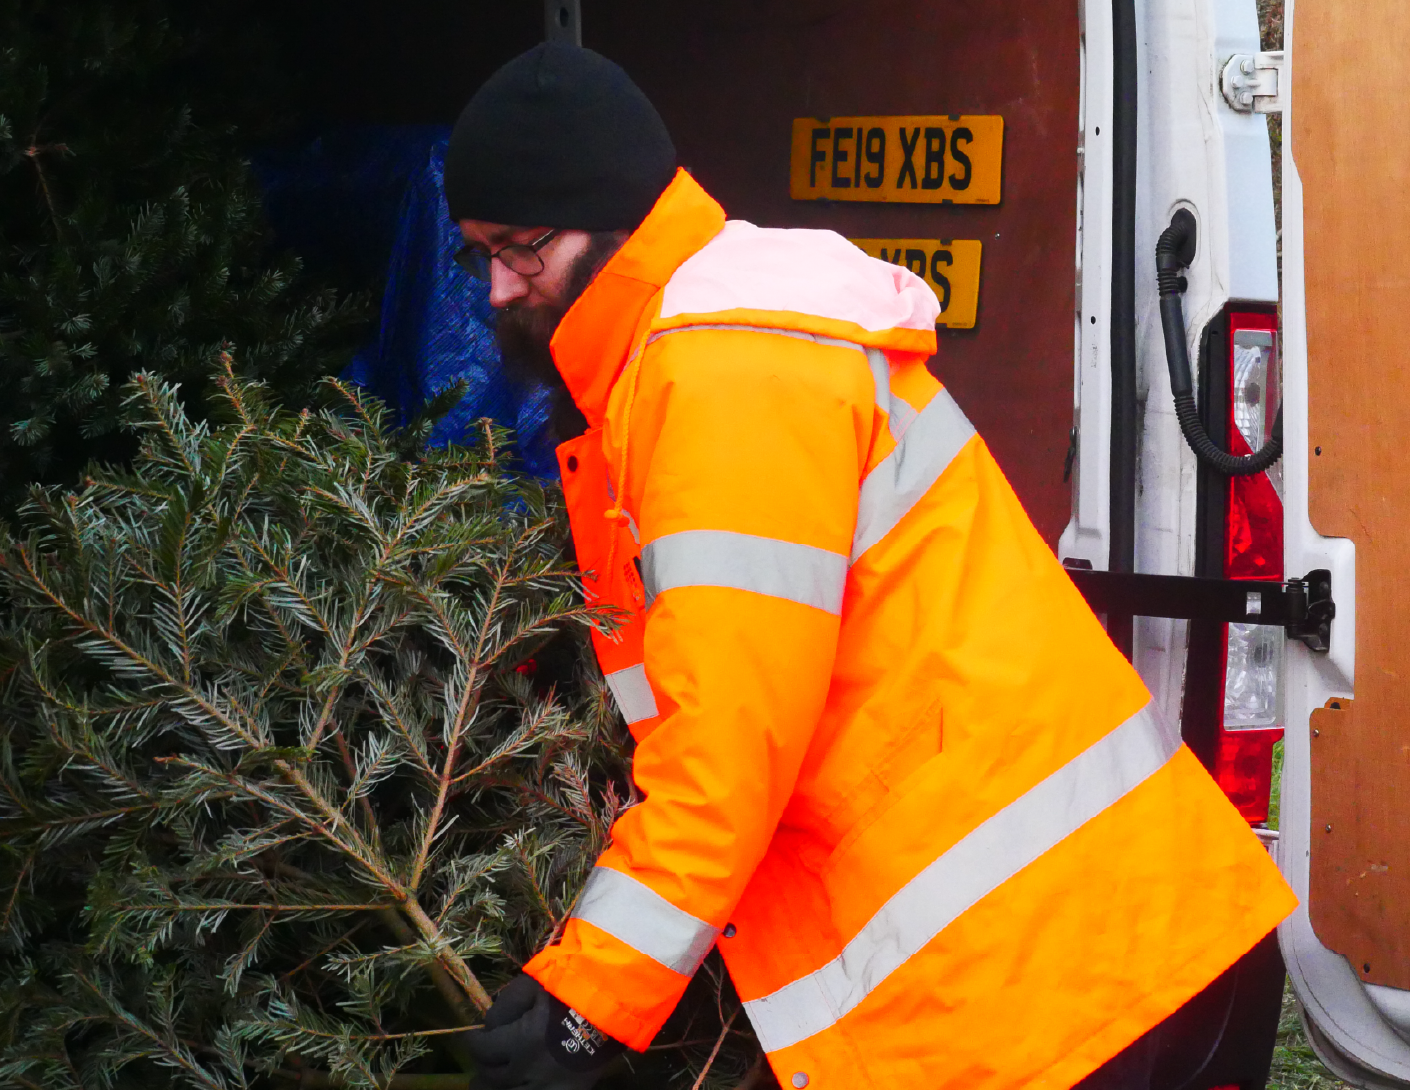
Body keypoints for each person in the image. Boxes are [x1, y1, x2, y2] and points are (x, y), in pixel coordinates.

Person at [445, 42, 1297, 1090]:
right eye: (474, 253)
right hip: (1081, 968)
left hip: (1081, 992)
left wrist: (589, 1001)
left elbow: (728, 743)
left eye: (520, 247)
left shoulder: (722, 372)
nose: (496, 288)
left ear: (613, 217)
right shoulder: (698, 354)